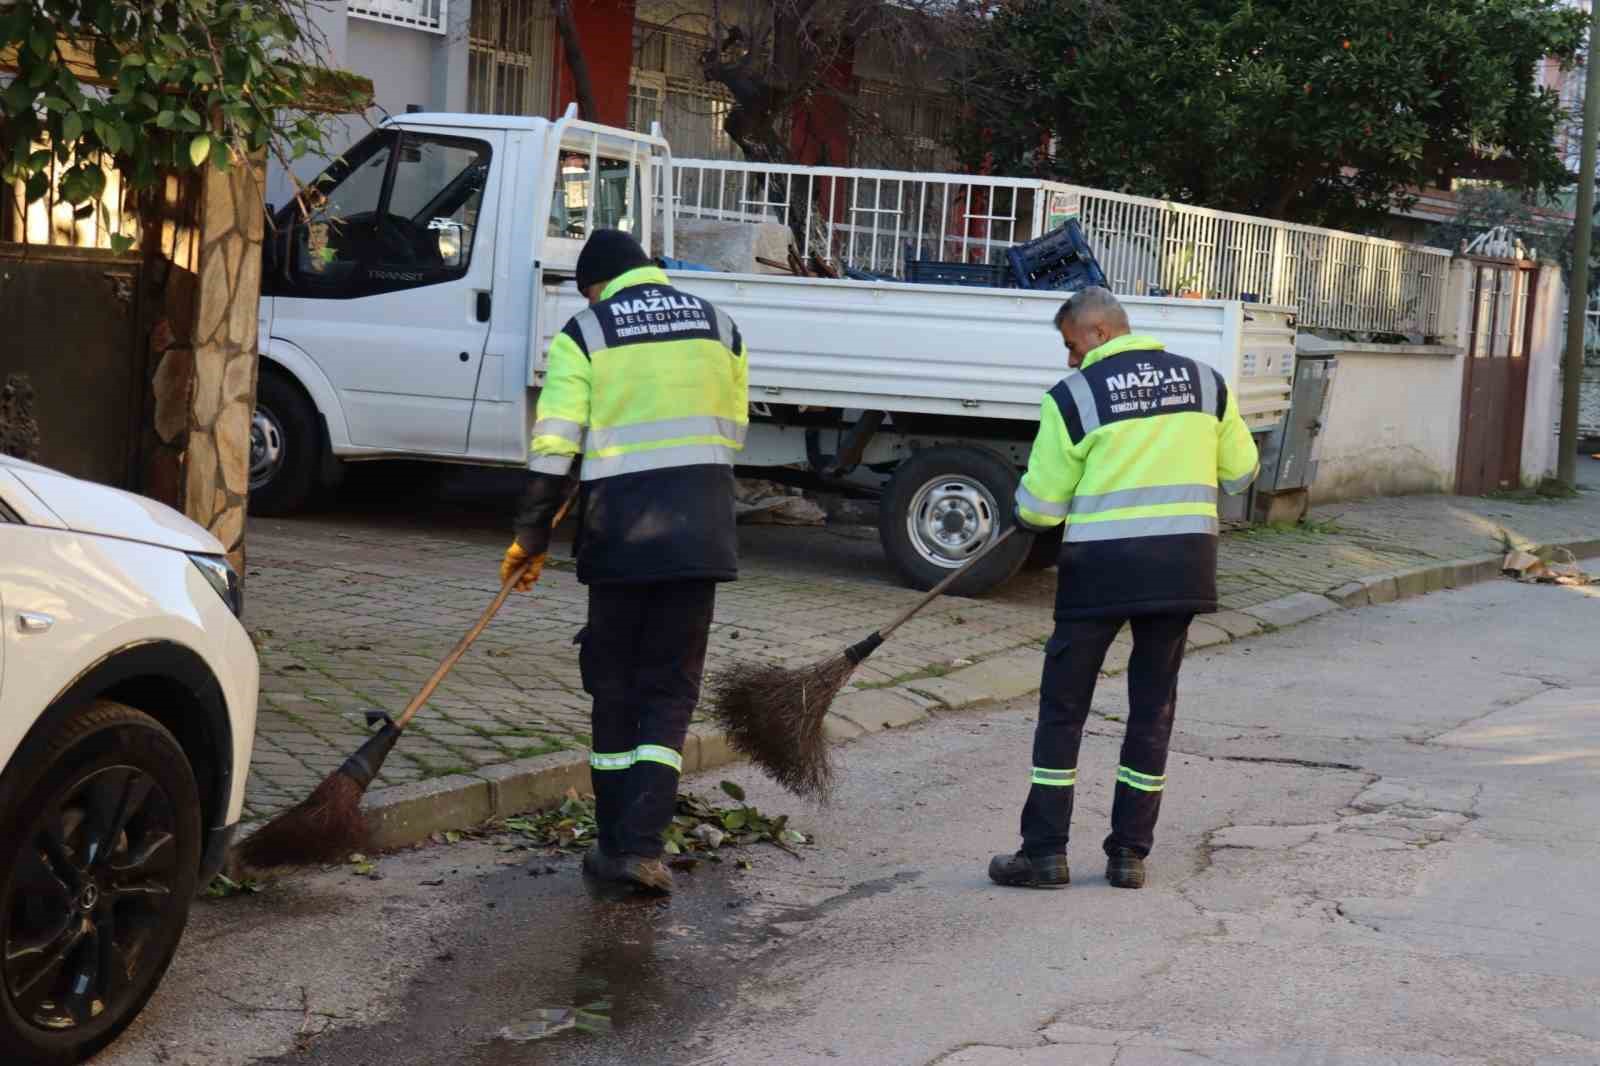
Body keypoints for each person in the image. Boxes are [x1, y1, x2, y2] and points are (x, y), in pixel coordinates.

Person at [501, 229, 748, 895]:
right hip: (701, 539)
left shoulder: (587, 332)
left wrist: (531, 537)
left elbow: (555, 445)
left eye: (588, 290)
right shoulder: (720, 325)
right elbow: (734, 428)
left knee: (614, 685)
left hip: (619, 540)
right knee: (670, 692)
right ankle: (643, 847)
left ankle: (614, 844)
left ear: (600, 284)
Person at [989, 286, 1258, 891]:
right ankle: (1129, 855)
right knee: (1152, 709)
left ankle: (1044, 854)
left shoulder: (1075, 397)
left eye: (1070, 344)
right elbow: (1241, 472)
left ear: (1100, 333)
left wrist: (1024, 508)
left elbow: (1043, 508)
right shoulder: (1206, 383)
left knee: (1063, 709)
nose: (1068, 360)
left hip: (1099, 574)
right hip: (1181, 570)